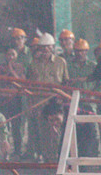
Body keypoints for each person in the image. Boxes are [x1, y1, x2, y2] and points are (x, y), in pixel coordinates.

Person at [25, 33, 69, 162]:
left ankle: (58, 158)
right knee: (42, 131)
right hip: (39, 102)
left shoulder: (61, 62)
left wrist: (62, 98)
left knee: (56, 132)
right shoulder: (33, 63)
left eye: (48, 46)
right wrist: (31, 103)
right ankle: (47, 158)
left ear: (52, 47)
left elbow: (66, 82)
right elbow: (29, 84)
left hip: (55, 102)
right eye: (42, 47)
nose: (45, 49)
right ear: (38, 48)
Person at [0, 46, 27, 159]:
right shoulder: (1, 67)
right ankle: (5, 152)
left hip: (15, 99)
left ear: (16, 56)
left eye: (13, 54)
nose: (10, 57)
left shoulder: (20, 67)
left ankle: (17, 151)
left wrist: (11, 70)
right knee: (4, 126)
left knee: (16, 126)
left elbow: (21, 81)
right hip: (3, 99)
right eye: (8, 54)